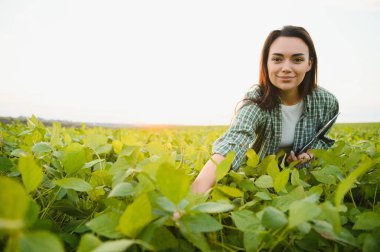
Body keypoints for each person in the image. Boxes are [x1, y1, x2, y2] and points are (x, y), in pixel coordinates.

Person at [192, 25, 339, 194]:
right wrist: (194, 195)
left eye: (297, 60)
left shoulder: (327, 102)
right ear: (266, 64)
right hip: (259, 182)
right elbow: (234, 140)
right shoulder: (257, 100)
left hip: (301, 183)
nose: (286, 68)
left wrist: (309, 154)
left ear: (309, 64)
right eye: (277, 59)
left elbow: (322, 139)